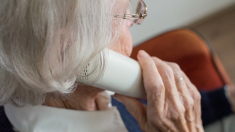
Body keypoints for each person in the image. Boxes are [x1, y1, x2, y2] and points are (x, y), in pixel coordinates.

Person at [0, 0, 204, 132]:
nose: (134, 21)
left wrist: (225, 98)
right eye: (126, 16)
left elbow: (162, 113)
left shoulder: (93, 88)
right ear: (65, 52)